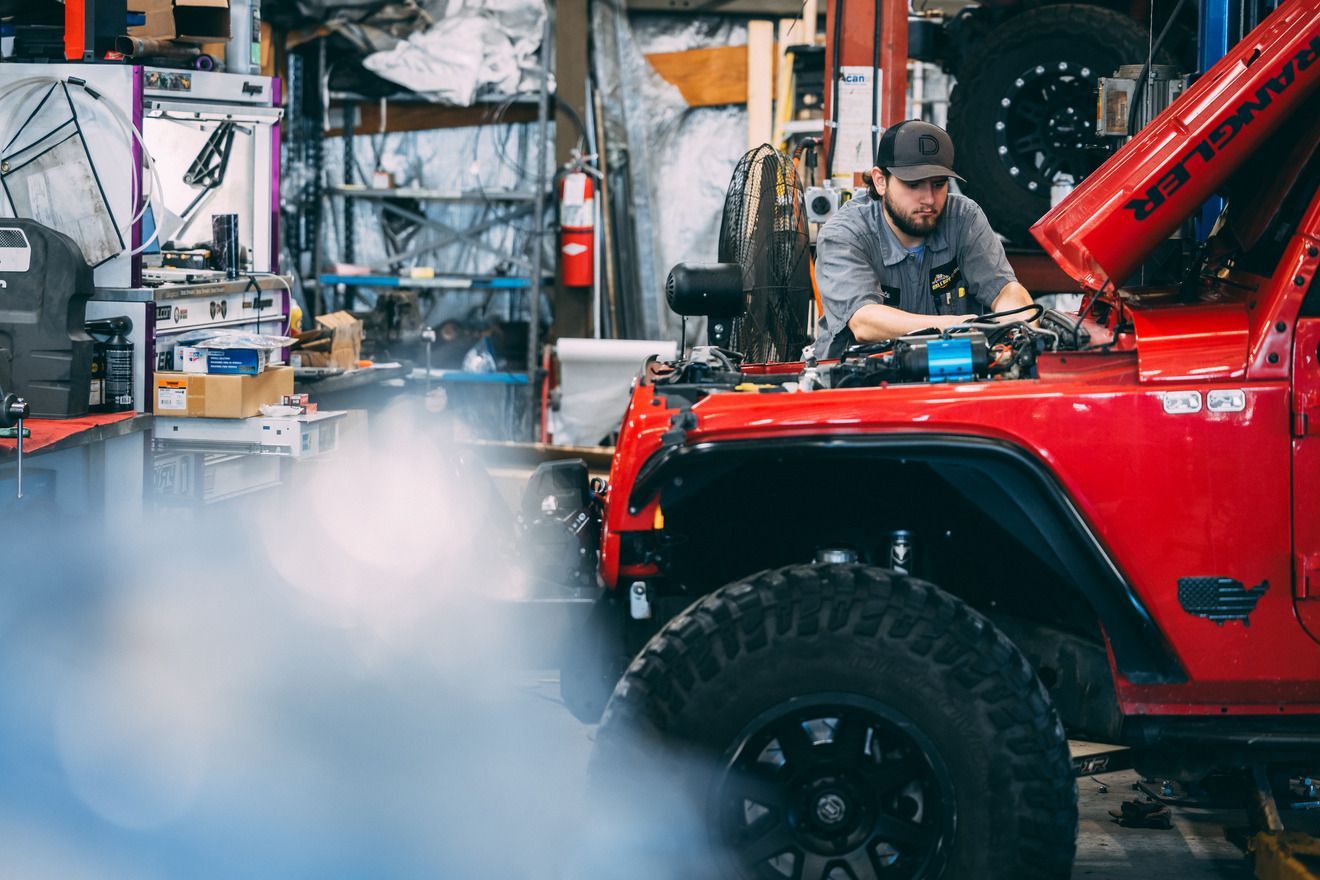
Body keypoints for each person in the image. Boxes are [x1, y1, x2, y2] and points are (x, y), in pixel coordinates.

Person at [813, 120, 1032, 359]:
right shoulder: (845, 234)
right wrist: (960, 327)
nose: (929, 199)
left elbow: (1004, 289)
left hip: (946, 370)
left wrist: (1021, 326)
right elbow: (865, 322)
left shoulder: (964, 219)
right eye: (913, 184)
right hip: (854, 375)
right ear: (880, 181)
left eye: (938, 184)